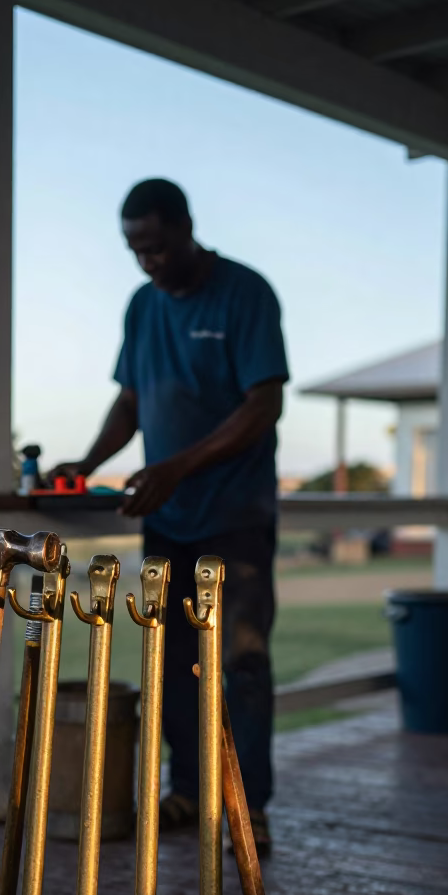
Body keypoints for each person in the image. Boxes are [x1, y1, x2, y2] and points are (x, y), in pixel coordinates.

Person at [52, 178, 288, 853]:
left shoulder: (246, 293)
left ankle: (248, 808)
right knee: (173, 660)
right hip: (170, 521)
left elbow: (263, 405)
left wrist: (176, 466)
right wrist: (88, 462)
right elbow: (131, 402)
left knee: (240, 660)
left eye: (155, 245)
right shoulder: (141, 306)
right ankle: (188, 790)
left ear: (185, 227)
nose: (147, 261)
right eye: (134, 250)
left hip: (235, 517)